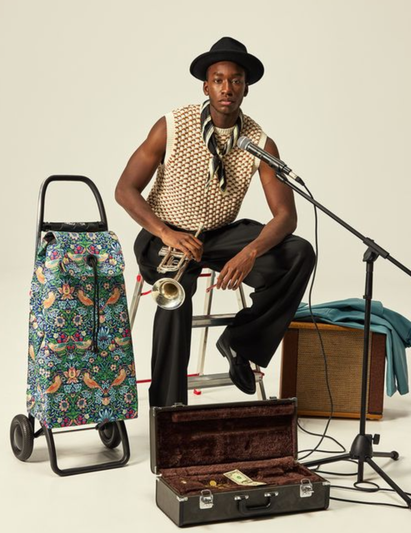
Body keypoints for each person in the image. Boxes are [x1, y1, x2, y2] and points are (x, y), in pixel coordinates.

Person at [115, 37, 315, 407]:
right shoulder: (172, 126)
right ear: (206, 87)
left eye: (236, 81)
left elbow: (286, 215)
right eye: (219, 80)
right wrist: (166, 233)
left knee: (299, 253)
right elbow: (125, 189)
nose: (227, 88)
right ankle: (169, 411)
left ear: (246, 88)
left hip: (220, 235)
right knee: (175, 296)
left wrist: (249, 253)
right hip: (165, 234)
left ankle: (241, 343)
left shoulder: (259, 142)